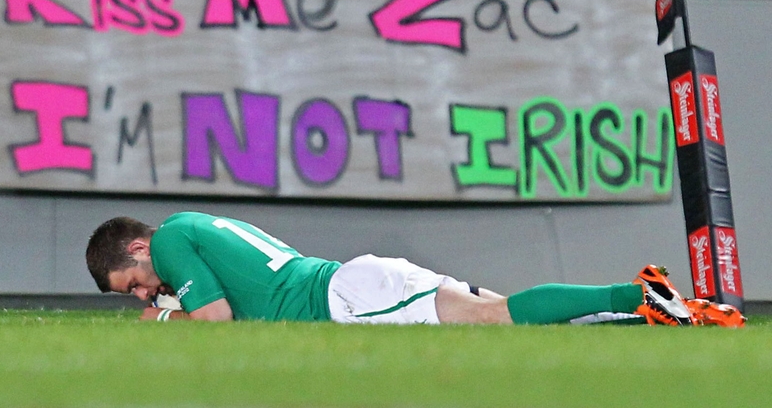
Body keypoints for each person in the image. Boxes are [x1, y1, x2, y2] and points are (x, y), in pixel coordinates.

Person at [85, 211, 745, 327]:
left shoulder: (169, 243)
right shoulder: (195, 226)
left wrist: (171, 318)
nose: (142, 290)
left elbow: (221, 319)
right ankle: (646, 309)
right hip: (352, 284)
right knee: (506, 315)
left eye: (132, 283)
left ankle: (639, 291)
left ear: (137, 252)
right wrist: (172, 308)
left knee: (499, 318)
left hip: (345, 299)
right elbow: (240, 292)